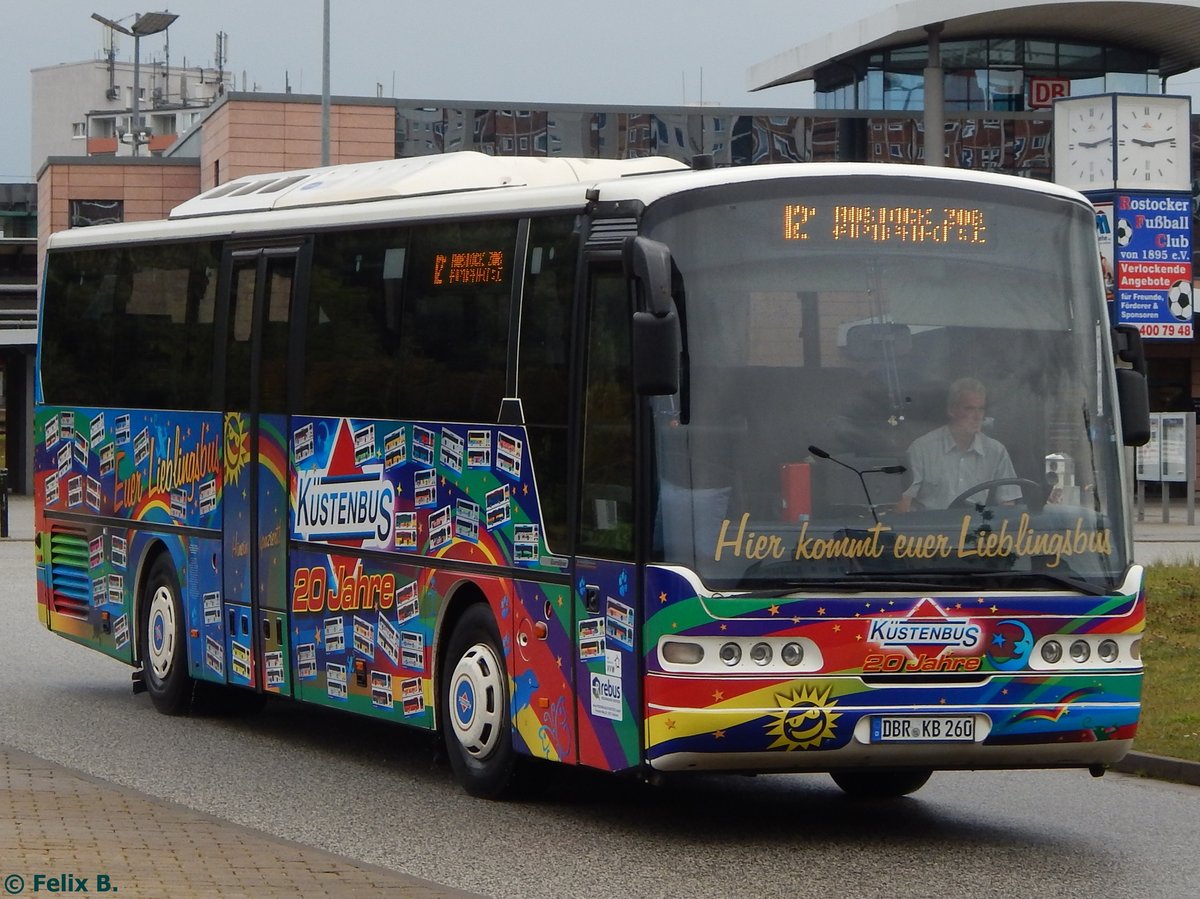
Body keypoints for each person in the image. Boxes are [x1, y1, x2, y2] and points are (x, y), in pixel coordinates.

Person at [893, 377, 1020, 512]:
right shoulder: (921, 449)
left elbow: (1008, 505)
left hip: (975, 530)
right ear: (951, 410)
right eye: (969, 409)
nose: (977, 416)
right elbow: (902, 504)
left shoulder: (996, 451)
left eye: (981, 409)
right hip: (928, 530)